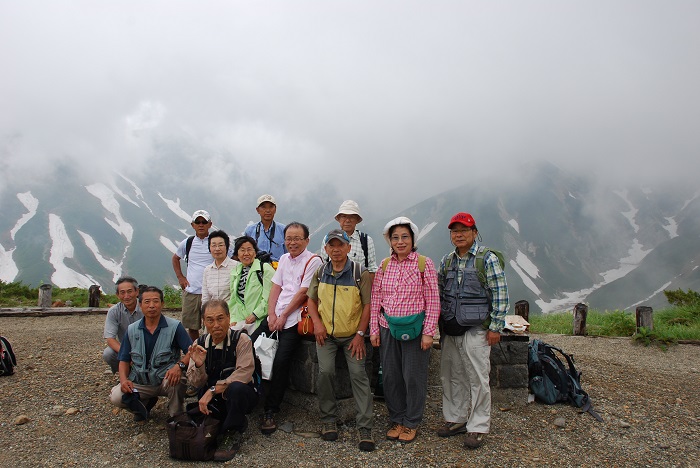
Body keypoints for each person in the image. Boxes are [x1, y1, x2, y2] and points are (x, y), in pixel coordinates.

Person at [436, 212, 509, 449]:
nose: (459, 234)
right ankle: (455, 419)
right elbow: (438, 293)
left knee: (478, 377)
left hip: (477, 328)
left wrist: (496, 327)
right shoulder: (447, 260)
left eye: (464, 230)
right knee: (451, 375)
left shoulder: (486, 259)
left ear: (474, 232)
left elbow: (500, 293)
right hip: (451, 327)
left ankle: (477, 426)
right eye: (455, 231)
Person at [369, 216, 439, 443]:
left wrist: (429, 331)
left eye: (404, 237)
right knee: (391, 376)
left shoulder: (423, 263)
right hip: (388, 326)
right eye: (395, 237)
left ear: (413, 239)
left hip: (415, 328)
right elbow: (376, 298)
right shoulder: (384, 265)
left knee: (413, 376)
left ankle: (411, 422)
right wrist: (374, 330)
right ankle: (397, 418)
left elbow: (433, 299)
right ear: (389, 240)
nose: (400, 242)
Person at [307, 229, 375, 451]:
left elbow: (368, 305)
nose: (336, 250)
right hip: (326, 335)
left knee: (358, 374)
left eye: (340, 245)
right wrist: (317, 324)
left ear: (348, 248)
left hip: (352, 336)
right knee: (325, 372)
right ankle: (328, 420)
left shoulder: (359, 273)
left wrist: (360, 334)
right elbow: (311, 301)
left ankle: (365, 426)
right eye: (331, 246)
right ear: (325, 249)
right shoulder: (321, 272)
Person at [261, 222, 323, 434]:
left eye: (297, 238)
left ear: (307, 240)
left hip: (295, 319)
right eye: (289, 238)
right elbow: (275, 287)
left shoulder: (314, 261)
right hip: (276, 315)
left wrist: (284, 315)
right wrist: (271, 314)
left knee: (280, 362)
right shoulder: (284, 259)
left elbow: (303, 292)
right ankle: (253, 397)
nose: (292, 242)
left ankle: (271, 409)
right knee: (251, 349)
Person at [187, 300, 259, 462]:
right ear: (204, 322)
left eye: (220, 319)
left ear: (228, 317)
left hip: (239, 396)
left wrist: (213, 390)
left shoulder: (241, 340)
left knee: (236, 389)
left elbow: (245, 372)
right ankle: (224, 424)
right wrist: (199, 364)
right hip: (212, 401)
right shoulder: (199, 344)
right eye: (210, 320)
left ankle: (232, 432)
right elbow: (195, 383)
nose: (216, 325)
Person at [109, 286, 192, 421]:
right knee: (117, 397)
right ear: (140, 305)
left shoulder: (175, 327)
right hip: (140, 381)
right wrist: (124, 380)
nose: (152, 306)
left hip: (166, 379)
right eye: (147, 302)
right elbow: (124, 359)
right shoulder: (132, 330)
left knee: (178, 380)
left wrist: (179, 366)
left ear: (162, 304)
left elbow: (191, 352)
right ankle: (144, 404)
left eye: (156, 301)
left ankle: (176, 416)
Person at [172, 209, 214, 342]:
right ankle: (196, 349)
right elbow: (175, 258)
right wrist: (180, 277)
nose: (201, 225)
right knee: (192, 326)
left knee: (213, 325)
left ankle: (212, 350)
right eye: (198, 222)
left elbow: (231, 258)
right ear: (193, 225)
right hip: (192, 291)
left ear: (210, 224)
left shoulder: (216, 242)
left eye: (204, 222)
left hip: (212, 291)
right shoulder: (187, 243)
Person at [228, 236, 275, 344]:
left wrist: (255, 315)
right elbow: (233, 300)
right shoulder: (235, 272)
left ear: (255, 252)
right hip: (241, 322)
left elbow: (270, 297)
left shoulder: (265, 269)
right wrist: (233, 319)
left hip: (259, 321)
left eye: (249, 249)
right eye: (242, 250)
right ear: (237, 254)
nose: (246, 253)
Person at [319, 200, 378, 279]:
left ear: (357, 220)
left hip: (357, 288)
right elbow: (323, 266)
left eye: (352, 217)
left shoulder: (366, 240)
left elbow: (372, 269)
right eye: (344, 216)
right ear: (339, 219)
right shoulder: (328, 239)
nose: (347, 220)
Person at [102, 276, 143, 373]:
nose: (126, 296)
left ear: (137, 292)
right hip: (126, 348)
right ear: (117, 295)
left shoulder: (145, 308)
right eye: (122, 292)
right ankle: (125, 373)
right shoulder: (114, 311)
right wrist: (126, 354)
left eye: (129, 291)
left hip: (146, 346)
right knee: (108, 354)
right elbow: (110, 339)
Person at [244, 194, 287, 263]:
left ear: (275, 209)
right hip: (255, 270)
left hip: (278, 271)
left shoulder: (284, 230)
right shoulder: (250, 231)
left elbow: (289, 254)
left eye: (271, 207)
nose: (268, 210)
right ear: (257, 210)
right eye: (263, 207)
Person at [201, 230, 237, 304]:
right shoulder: (207, 270)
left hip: (232, 312)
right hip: (213, 313)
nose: (217, 249)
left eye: (220, 245)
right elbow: (205, 297)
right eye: (213, 245)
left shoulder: (237, 266)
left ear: (227, 247)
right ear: (209, 248)